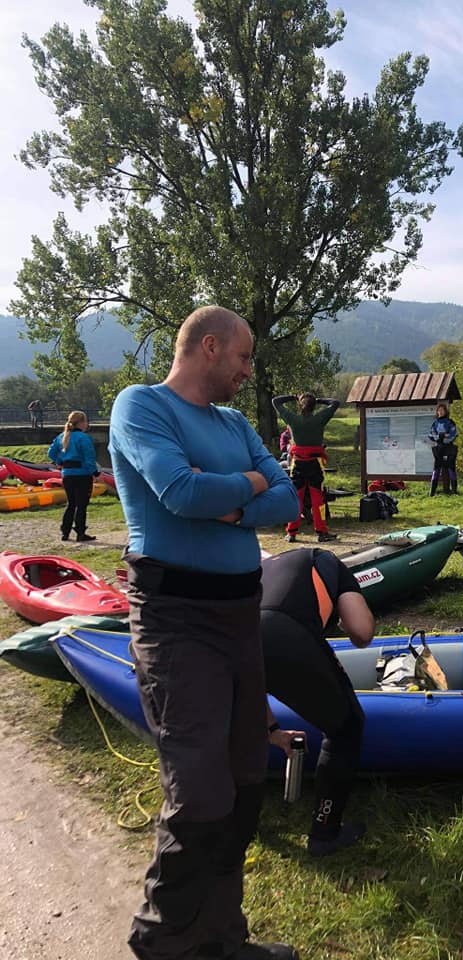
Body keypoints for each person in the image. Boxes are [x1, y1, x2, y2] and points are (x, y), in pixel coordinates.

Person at [108, 305, 300, 960]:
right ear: (210, 348)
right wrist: (249, 485)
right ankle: (163, 940)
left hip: (238, 616)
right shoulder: (142, 407)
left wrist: (233, 499)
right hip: (175, 621)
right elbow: (180, 495)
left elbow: (289, 499)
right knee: (199, 790)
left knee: (246, 780)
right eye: (244, 359)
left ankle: (221, 937)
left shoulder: (235, 422)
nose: (248, 372)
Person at [261, 547, 375, 856]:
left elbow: (248, 685)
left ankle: (239, 824)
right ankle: (325, 832)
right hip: (286, 632)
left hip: (232, 634)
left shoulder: (267, 567)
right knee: (347, 726)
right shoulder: (332, 564)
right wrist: (343, 609)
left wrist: (272, 730)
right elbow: (362, 633)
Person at [272, 392, 339, 543]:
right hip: (315, 463)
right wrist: (320, 400)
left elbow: (275, 401)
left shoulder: (293, 419)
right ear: (314, 406)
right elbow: (335, 403)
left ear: (300, 405)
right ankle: (322, 533)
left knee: (296, 498)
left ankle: (292, 533)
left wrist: (293, 397)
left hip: (298, 463)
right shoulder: (319, 419)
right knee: (317, 500)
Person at [47, 410, 99, 542]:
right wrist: (95, 472)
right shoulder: (84, 438)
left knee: (71, 503)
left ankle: (65, 532)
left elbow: (51, 452)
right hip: (82, 474)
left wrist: (60, 461)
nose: (86, 424)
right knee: (81, 505)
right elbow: (89, 457)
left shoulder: (62, 437)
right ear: (81, 423)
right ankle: (80, 532)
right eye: (85, 421)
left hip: (67, 474)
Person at [428, 403, 458, 495]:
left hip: (449, 448)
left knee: (451, 469)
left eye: (442, 410)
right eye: (439, 410)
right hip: (438, 448)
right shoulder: (435, 423)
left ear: (446, 411)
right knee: (436, 469)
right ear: (437, 412)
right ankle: (432, 492)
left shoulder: (450, 422)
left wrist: (443, 437)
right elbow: (431, 435)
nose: (440, 412)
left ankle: (454, 491)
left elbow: (453, 435)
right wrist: (441, 436)